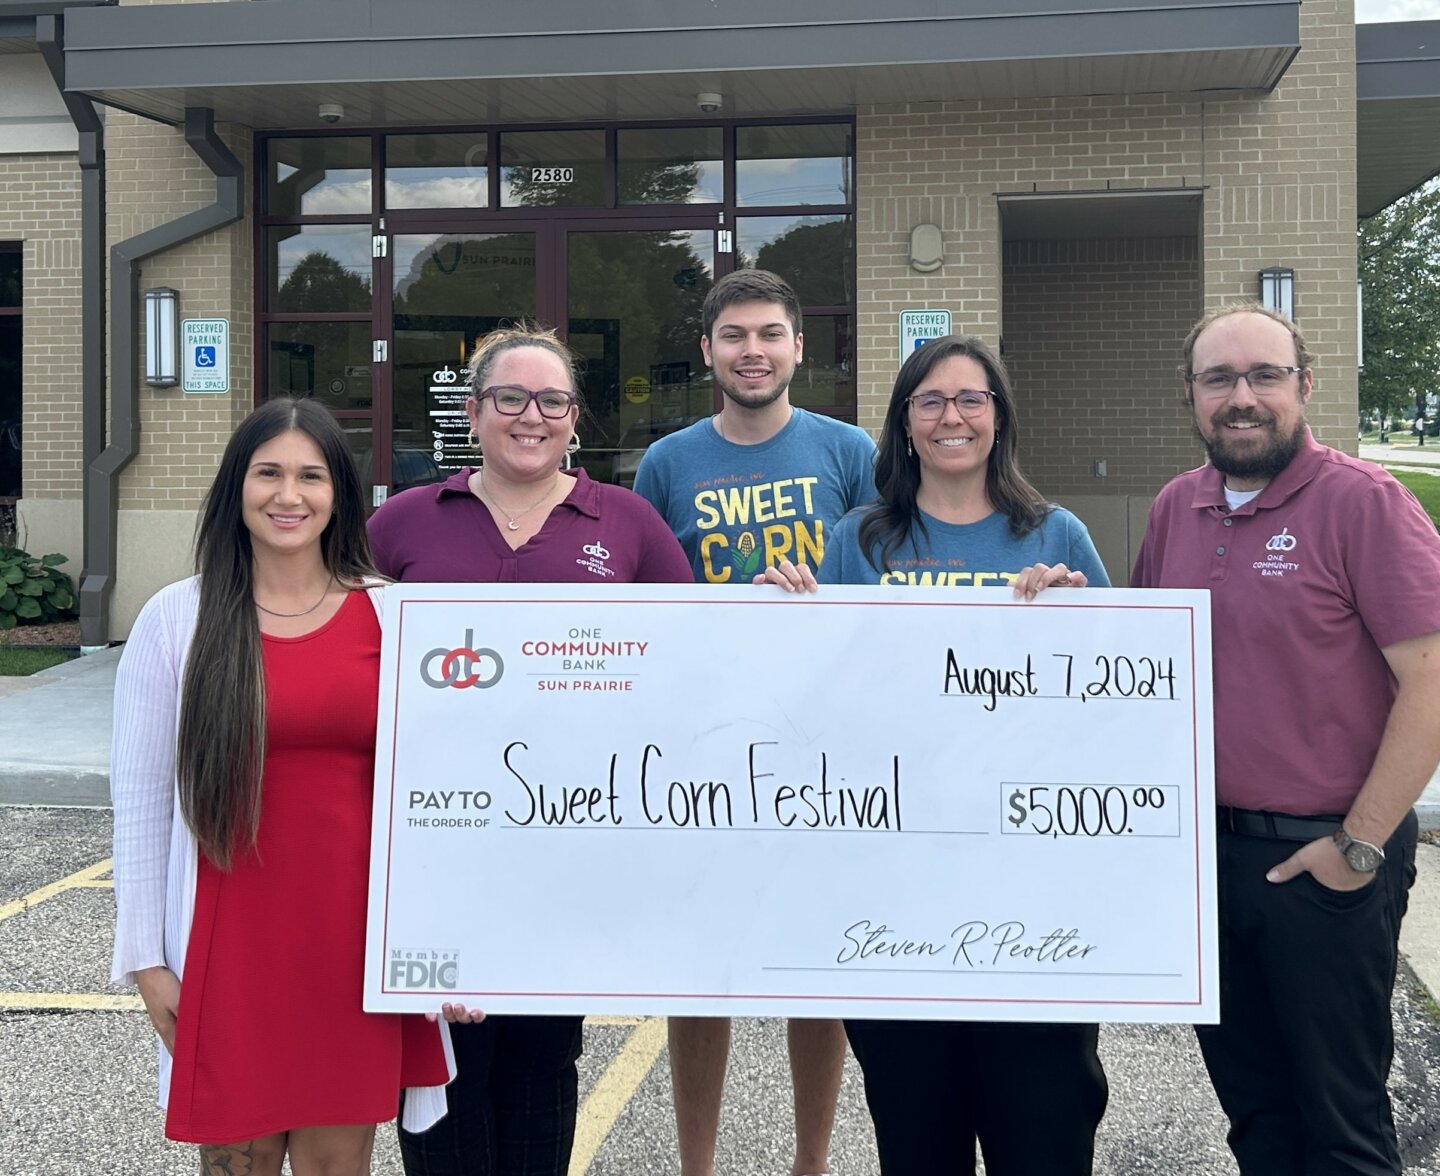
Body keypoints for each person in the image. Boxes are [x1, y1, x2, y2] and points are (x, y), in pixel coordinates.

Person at [1130, 305, 1440, 1175]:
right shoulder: (1175, 508)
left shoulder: (1365, 504)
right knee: (1257, 1115)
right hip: (1208, 863)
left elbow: (1438, 687)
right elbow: (1140, 665)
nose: (1241, 397)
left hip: (1324, 860)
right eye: (1218, 379)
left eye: (1264, 376)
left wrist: (1357, 846)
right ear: (1190, 396)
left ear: (1304, 385)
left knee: (1341, 1125)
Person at [765, 334, 1111, 1176]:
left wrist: (1078, 622)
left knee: (1044, 1138)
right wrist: (779, 625)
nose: (951, 417)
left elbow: (1116, 711)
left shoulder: (1056, 536)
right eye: (931, 401)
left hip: (1030, 898)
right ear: (905, 423)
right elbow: (816, 707)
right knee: (918, 1143)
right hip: (894, 895)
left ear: (999, 417)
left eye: (970, 399)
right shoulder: (859, 541)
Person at [368, 324, 692, 1176]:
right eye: (510, 397)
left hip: (569, 849)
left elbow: (692, 659)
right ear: (474, 413)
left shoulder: (628, 522)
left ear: (575, 417)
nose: (531, 416)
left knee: (542, 1064)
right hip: (436, 847)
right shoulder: (402, 523)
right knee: (443, 1067)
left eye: (552, 400)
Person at [110, 398, 453, 1176]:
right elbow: (139, 803)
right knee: (243, 1159)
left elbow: (437, 801)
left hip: (352, 950)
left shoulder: (394, 616)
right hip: (228, 948)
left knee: (338, 1165)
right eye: (268, 473)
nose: (288, 495)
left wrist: (445, 946)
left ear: (340, 495)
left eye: (311, 476)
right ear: (237, 487)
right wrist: (145, 961)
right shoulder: (178, 620)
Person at [632, 268, 876, 1176]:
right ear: (707, 350)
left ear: (799, 347)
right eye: (734, 335)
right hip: (706, 743)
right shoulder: (668, 463)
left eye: (770, 333)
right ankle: (696, 1166)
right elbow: (648, 605)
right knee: (703, 969)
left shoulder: (848, 450)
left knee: (815, 964)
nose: (753, 351)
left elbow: (881, 582)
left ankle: (811, 1162)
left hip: (822, 739)